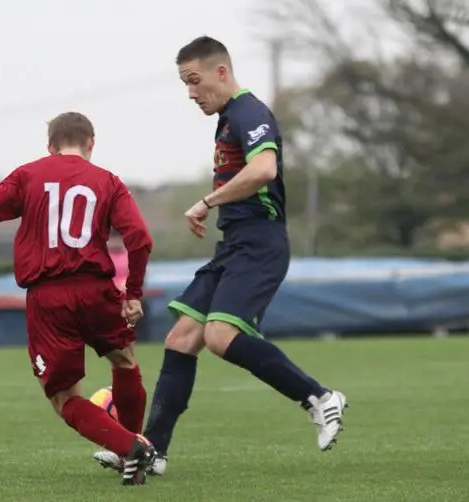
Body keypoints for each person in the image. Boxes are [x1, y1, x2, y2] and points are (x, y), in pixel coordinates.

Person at [92, 36, 348, 477]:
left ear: (221, 73)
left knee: (220, 336)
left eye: (194, 81)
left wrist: (208, 202)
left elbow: (264, 169)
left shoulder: (248, 111)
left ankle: (320, 397)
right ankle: (152, 449)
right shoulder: (228, 118)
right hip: (234, 245)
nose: (191, 93)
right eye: (185, 84)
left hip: (260, 244)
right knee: (181, 340)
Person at [0, 111, 156, 486]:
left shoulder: (29, 175)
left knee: (64, 397)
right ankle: (132, 451)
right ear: (91, 144)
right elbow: (140, 238)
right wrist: (132, 293)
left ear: (49, 146)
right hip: (97, 290)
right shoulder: (108, 181)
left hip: (49, 298)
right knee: (125, 361)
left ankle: (130, 447)